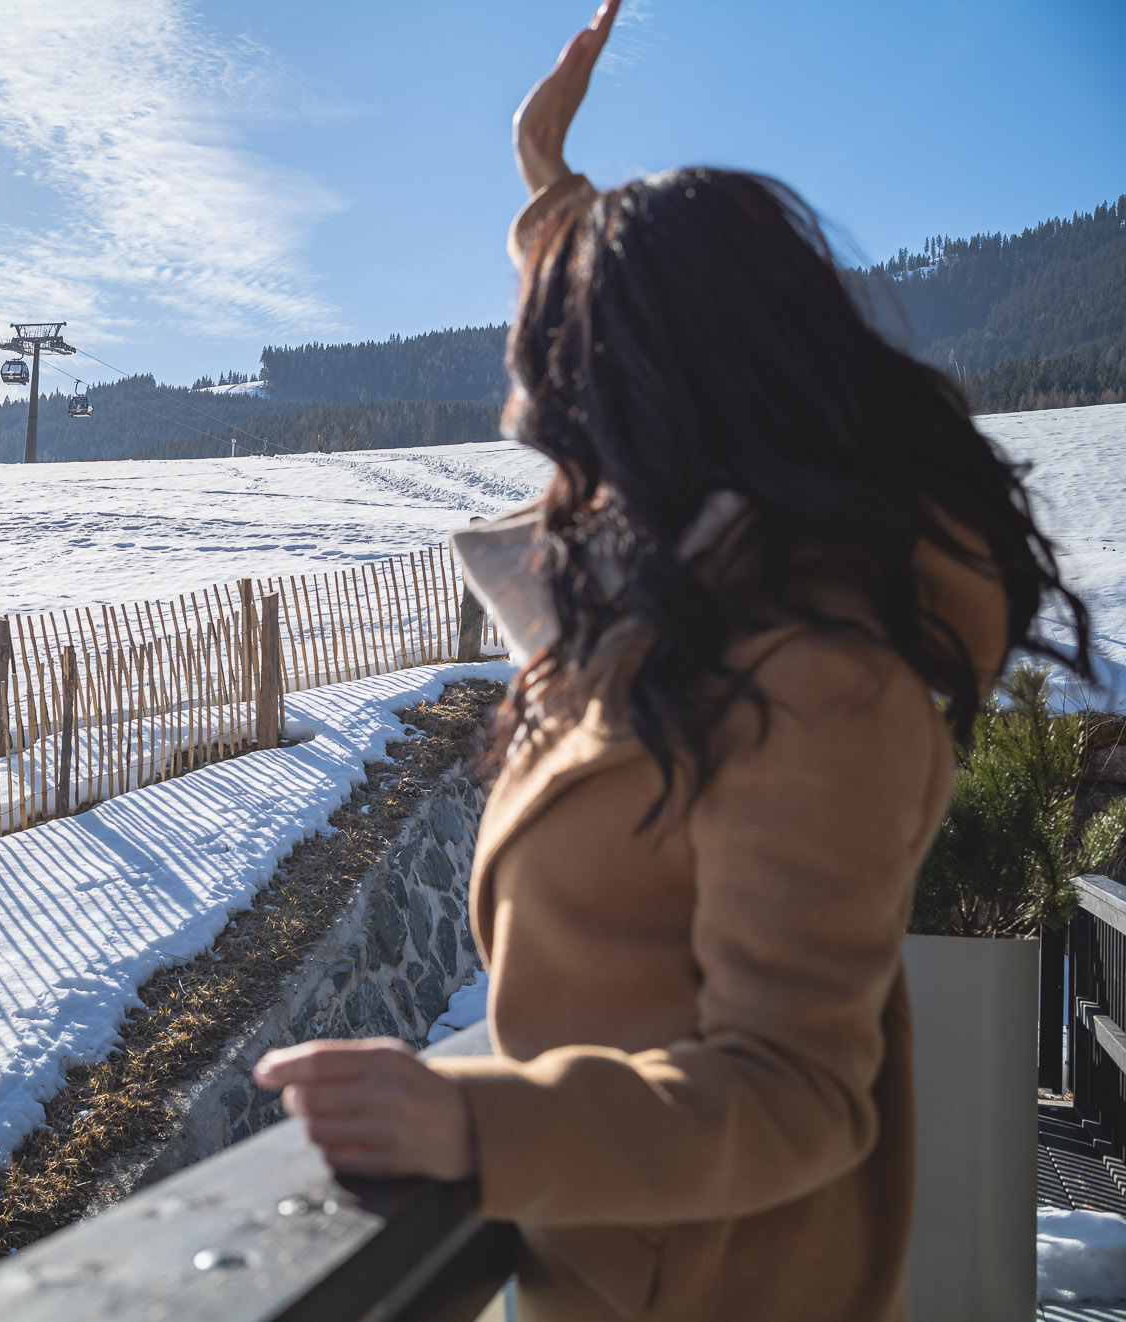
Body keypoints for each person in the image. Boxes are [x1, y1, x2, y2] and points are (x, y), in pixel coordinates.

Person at [252, 5, 1093, 1320]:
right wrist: (546, 179)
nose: (545, 435)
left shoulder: (817, 682)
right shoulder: (668, 618)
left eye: (567, 389)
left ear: (663, 399)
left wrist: (475, 1118)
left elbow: (795, 1089)